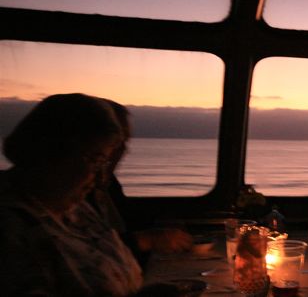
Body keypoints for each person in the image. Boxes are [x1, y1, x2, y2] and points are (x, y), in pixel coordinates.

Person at [0, 93, 183, 296]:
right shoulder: (10, 227)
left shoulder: (74, 207)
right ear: (50, 150)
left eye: (104, 162)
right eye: (95, 160)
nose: (101, 176)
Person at [89, 99, 193, 262]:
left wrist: (163, 224)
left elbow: (128, 220)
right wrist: (145, 240)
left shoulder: (107, 183)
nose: (124, 150)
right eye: (115, 143)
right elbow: (87, 253)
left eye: (125, 142)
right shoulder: (73, 193)